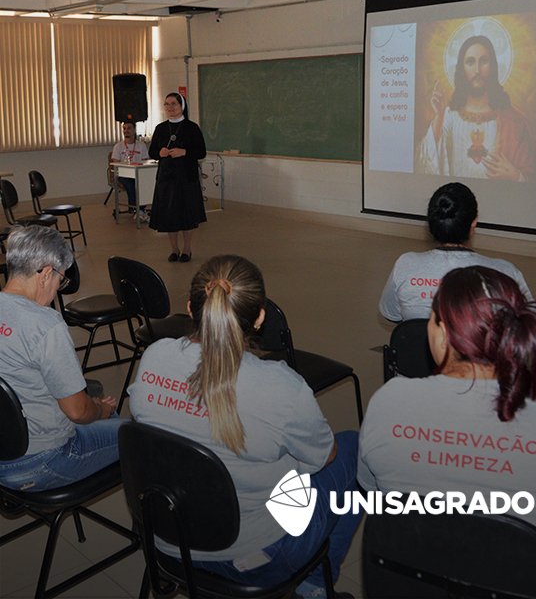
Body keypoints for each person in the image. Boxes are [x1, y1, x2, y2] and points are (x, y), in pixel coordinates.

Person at [128, 255, 360, 597]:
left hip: (166, 542)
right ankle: (314, 587)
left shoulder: (154, 356)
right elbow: (324, 458)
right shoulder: (282, 387)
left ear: (191, 308)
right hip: (257, 558)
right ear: (260, 317)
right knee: (353, 449)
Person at [362, 266, 536, 598]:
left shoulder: (387, 401)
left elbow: (374, 490)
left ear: (442, 334)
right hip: (524, 582)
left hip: (418, 582)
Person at [0, 226, 122, 491]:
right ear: (45, 274)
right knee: (139, 438)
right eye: (60, 281)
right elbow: (78, 412)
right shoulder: (45, 325)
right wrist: (101, 408)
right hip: (40, 462)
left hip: (5, 449)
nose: (57, 290)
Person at [379, 182, 534, 321]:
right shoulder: (505, 273)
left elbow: (391, 313)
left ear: (431, 223)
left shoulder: (405, 264)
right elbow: (531, 323)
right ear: (473, 223)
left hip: (417, 353)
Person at [418, 35, 535, 181]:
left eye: (484, 61)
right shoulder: (448, 116)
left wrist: (516, 176)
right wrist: (438, 117)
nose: (477, 70)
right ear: (462, 68)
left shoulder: (513, 121)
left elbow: (531, 178)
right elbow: (426, 164)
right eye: (470, 62)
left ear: (492, 67)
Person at [149, 92, 207, 262]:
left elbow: (201, 152)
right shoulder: (160, 128)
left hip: (186, 178)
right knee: (169, 215)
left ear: (182, 106)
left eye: (174, 103)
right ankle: (174, 249)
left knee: (186, 215)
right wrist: (160, 152)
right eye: (167, 104)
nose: (170, 107)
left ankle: (187, 249)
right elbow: (152, 152)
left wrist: (185, 152)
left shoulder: (192, 127)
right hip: (166, 179)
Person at [110, 121, 150, 221]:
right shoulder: (118, 146)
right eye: (124, 129)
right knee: (131, 183)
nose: (126, 131)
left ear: (134, 130)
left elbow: (146, 161)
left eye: (129, 128)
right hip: (123, 174)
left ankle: (139, 210)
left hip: (139, 173)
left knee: (144, 181)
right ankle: (139, 210)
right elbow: (115, 163)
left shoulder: (141, 145)